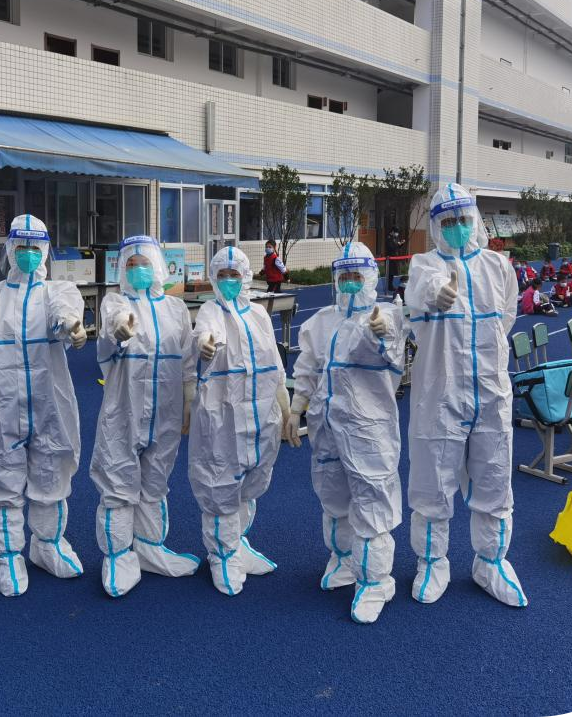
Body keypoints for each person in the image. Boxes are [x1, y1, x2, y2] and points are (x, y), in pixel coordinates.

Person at [405, 182, 527, 608]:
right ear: (437, 226)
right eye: (448, 221)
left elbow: (506, 317)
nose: (457, 227)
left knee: (494, 477)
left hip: (491, 391)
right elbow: (420, 296)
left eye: (463, 219)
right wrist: (435, 297)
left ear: (475, 221)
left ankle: (490, 562)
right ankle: (432, 562)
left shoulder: (499, 266)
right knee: (433, 482)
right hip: (440, 393)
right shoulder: (425, 265)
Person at [0, 214, 88, 596]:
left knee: (52, 474)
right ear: (11, 249)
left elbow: (63, 314)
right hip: (2, 407)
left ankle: (47, 545)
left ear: (45, 251)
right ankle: (7, 555)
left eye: (36, 247)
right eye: (23, 247)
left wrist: (72, 327)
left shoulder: (56, 292)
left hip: (50, 405)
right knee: (2, 480)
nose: (29, 254)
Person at [288, 241, 406, 623]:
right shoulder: (322, 321)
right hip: (326, 427)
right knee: (333, 496)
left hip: (368, 429)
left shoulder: (386, 315)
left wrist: (382, 335)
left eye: (357, 275)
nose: (351, 282)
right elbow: (308, 368)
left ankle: (375, 581)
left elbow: (394, 358)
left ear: (371, 276)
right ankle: (342, 559)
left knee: (371, 500)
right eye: (345, 275)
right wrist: (296, 407)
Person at [90, 235, 200, 597]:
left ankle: (151, 548)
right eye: (131, 265)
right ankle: (118, 556)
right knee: (118, 482)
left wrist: (188, 399)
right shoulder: (116, 302)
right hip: (124, 410)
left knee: (155, 481)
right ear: (122, 270)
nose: (138, 270)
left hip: (165, 411)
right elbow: (108, 335)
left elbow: (187, 358)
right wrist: (118, 333)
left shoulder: (175, 309)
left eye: (144, 264)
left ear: (158, 267)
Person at [188, 246, 293, 596]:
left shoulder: (259, 315)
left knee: (252, 482)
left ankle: (237, 543)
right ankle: (222, 554)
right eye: (223, 275)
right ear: (214, 278)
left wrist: (286, 408)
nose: (229, 281)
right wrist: (205, 343)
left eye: (235, 275)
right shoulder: (211, 310)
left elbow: (275, 364)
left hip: (261, 415)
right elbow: (205, 333)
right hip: (223, 417)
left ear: (246, 277)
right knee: (220, 484)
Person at [386, 226, 405, 293]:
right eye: (396, 232)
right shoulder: (389, 238)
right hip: (390, 257)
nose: (397, 234)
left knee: (393, 273)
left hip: (395, 257)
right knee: (390, 273)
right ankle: (389, 286)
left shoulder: (395, 238)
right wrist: (397, 244)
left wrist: (401, 244)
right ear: (392, 231)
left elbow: (397, 247)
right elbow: (390, 247)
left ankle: (391, 285)